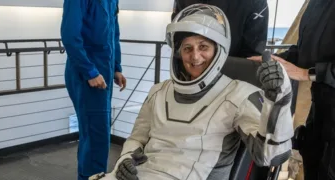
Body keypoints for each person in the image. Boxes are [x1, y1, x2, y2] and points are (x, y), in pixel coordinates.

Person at [89, 4, 293, 180]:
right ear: (179, 54)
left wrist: (279, 98)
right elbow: (137, 138)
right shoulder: (159, 91)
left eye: (203, 46)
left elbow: (271, 155)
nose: (195, 56)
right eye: (187, 48)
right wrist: (125, 160)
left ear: (218, 50)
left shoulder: (238, 94)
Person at [248, 0, 335, 179]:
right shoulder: (317, 5)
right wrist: (273, 61)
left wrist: (306, 73)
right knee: (313, 162)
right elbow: (305, 53)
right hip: (319, 108)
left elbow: (306, 70)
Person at [60, 0, 126, 180]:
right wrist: (90, 71)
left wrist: (116, 67)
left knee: (95, 132)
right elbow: (70, 36)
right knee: (96, 136)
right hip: (86, 74)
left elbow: (114, 32)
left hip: (103, 71)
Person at [171, 0, 269, 58]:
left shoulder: (254, 3)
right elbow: (177, 37)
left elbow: (253, 54)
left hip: (234, 79)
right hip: (188, 75)